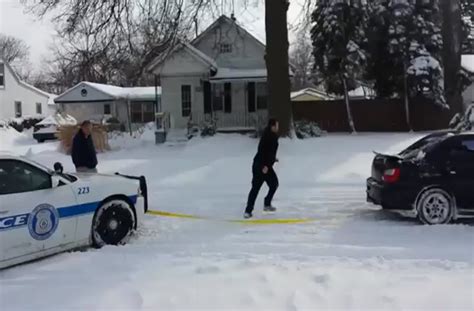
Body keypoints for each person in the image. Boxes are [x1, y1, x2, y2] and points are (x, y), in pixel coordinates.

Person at [244, 118, 280, 219]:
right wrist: (264, 166)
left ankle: (267, 204)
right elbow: (262, 152)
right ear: (272, 126)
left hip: (265, 166)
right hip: (261, 166)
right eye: (277, 125)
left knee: (274, 184)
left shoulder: (270, 135)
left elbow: (269, 153)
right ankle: (248, 211)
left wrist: (273, 159)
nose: (278, 127)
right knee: (256, 188)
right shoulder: (269, 136)